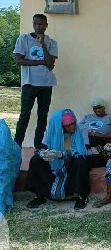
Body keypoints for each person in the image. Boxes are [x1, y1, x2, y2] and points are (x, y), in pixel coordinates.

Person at [25, 109, 91, 210]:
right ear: (60, 126)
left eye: (73, 123)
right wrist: (43, 153)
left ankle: (82, 197)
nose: (72, 127)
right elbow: (42, 147)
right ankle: (39, 196)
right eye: (68, 125)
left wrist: (63, 154)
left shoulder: (81, 129)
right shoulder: (52, 131)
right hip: (54, 163)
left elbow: (85, 150)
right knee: (36, 159)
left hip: (72, 163)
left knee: (80, 160)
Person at [13, 13, 58, 149]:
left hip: (46, 84)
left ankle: (38, 144)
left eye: (41, 24)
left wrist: (42, 45)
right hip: (29, 83)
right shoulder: (24, 39)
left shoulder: (51, 42)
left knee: (42, 115)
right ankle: (17, 144)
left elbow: (50, 64)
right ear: (33, 24)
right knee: (25, 114)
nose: (38, 26)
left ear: (46, 25)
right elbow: (19, 60)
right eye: (36, 24)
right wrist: (40, 62)